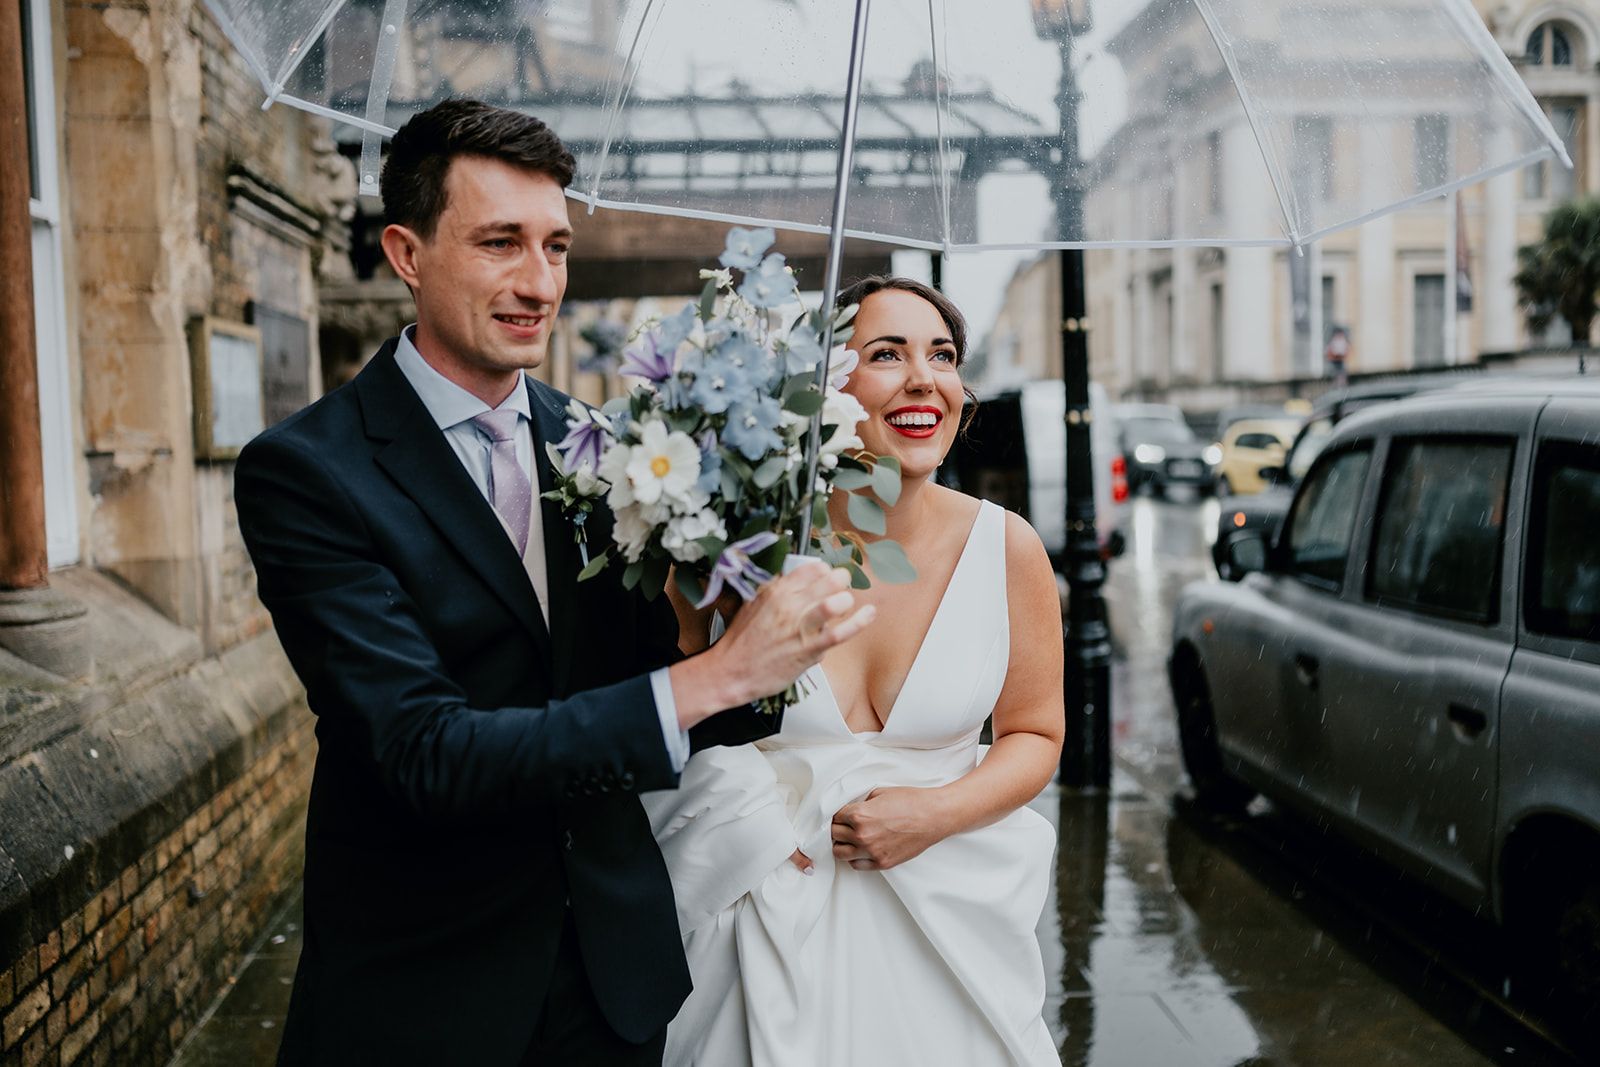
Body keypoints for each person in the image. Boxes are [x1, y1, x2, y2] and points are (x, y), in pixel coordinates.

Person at [233, 99, 874, 1066]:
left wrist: (715, 623)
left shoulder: (610, 445)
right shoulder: (308, 471)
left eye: (557, 247)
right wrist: (717, 675)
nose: (541, 283)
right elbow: (421, 750)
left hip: (612, 985)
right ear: (408, 253)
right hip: (425, 992)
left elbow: (664, 702)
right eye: (501, 243)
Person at [647, 276, 1065, 1065]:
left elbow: (1036, 734)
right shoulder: (746, 550)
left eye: (942, 355)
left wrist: (934, 813)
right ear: (823, 387)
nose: (923, 377)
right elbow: (672, 718)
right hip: (765, 927)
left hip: (947, 932)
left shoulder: (1009, 549)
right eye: (887, 353)